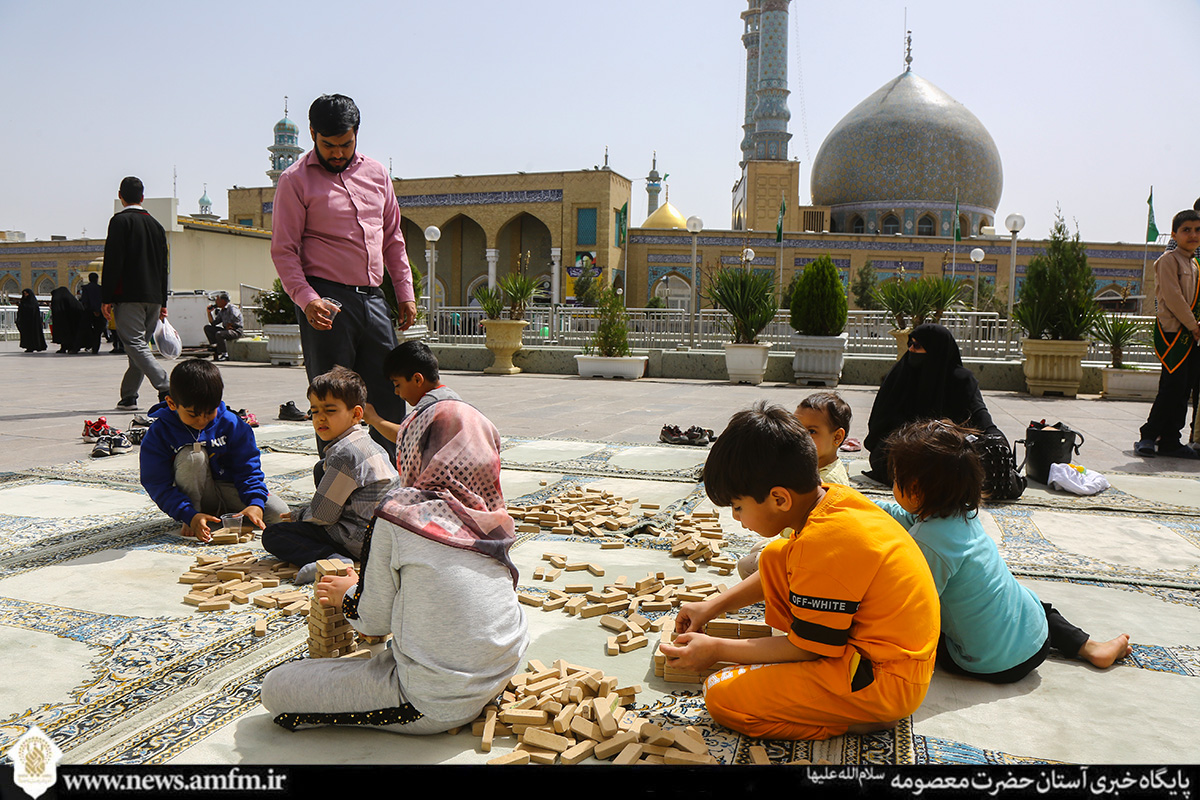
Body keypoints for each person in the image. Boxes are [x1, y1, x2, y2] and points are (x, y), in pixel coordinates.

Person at [260, 374, 529, 736]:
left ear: (413, 448)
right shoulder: (494, 517)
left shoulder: (403, 517)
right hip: (501, 671)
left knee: (277, 687)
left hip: (435, 700)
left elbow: (372, 623)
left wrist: (348, 595)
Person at [660, 403, 939, 741]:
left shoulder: (824, 543)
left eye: (738, 507)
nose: (736, 518)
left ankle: (863, 719)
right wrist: (711, 607)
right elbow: (780, 565)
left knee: (722, 694)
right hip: (883, 657)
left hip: (882, 680)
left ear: (779, 499)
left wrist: (716, 650)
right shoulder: (831, 499)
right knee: (777, 553)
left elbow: (808, 649)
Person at [876, 419, 1131, 682]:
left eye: (896, 479)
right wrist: (858, 502)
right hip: (1036, 638)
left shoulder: (927, 542)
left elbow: (914, 608)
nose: (893, 485)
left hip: (989, 663)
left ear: (916, 490)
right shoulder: (961, 510)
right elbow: (901, 514)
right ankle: (1089, 646)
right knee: (1030, 603)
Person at [271, 94, 417, 463]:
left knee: (388, 392)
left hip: (373, 299)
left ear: (357, 135)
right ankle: (337, 489)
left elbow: (393, 238)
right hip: (328, 303)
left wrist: (404, 291)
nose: (337, 153)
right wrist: (307, 300)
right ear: (312, 134)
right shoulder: (294, 181)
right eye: (328, 145)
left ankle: (384, 482)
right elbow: (284, 251)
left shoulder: (377, 174)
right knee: (333, 402)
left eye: (346, 144)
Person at [261, 366, 397, 584]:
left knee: (275, 534)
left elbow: (323, 516)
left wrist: (298, 515)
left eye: (330, 411)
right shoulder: (368, 443)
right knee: (320, 468)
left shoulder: (345, 454)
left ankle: (335, 560)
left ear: (356, 414)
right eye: (315, 411)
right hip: (382, 535)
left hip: (360, 541)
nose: (320, 419)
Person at [139, 358, 290, 541]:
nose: (202, 421)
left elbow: (248, 468)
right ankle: (195, 517)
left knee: (279, 514)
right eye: (193, 415)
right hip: (195, 496)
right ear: (172, 404)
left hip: (229, 488)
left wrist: (255, 503)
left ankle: (222, 516)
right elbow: (156, 483)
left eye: (210, 413)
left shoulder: (232, 424)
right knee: (193, 456)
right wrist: (187, 513)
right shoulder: (160, 433)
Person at [864, 322, 1001, 485]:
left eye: (917, 345)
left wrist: (995, 436)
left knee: (963, 459)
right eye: (910, 344)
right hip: (907, 445)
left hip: (948, 447)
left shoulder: (961, 380)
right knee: (889, 457)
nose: (911, 350)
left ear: (936, 349)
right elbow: (881, 423)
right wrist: (919, 435)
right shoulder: (900, 375)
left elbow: (979, 414)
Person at [737, 391, 852, 579]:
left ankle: (785, 595)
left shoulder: (827, 482)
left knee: (747, 566)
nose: (801, 436)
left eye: (812, 432)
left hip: (812, 555)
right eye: (798, 428)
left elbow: (798, 530)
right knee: (758, 547)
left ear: (837, 438)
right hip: (799, 541)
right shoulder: (815, 465)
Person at [1136, 209, 1200, 459]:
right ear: (1174, 234)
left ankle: (1172, 440)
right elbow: (1173, 298)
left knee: (1184, 389)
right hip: (1175, 334)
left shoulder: (1194, 263)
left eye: (1197, 230)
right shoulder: (1168, 260)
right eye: (1186, 230)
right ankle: (1148, 436)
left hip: (1192, 336)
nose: (1193, 235)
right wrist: (1193, 325)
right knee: (1171, 387)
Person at [101, 176, 170, 410]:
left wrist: (106, 297)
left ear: (120, 196)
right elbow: (163, 267)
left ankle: (166, 387)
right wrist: (163, 300)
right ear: (142, 197)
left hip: (128, 295)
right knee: (138, 348)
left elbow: (113, 262)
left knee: (135, 345)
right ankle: (129, 396)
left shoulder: (120, 222)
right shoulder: (156, 226)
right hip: (153, 297)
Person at [363, 340, 458, 448]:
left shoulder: (430, 404)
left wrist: (374, 419)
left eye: (397, 385)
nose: (396, 392)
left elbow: (406, 437)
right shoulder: (451, 396)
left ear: (417, 379)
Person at [203, 291, 244, 362]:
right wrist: (209, 312)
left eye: (217, 300)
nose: (216, 302)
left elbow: (235, 317)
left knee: (219, 334)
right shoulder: (222, 311)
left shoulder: (232, 307)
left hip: (236, 331)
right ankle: (215, 346)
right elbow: (213, 323)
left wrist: (230, 324)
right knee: (208, 328)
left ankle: (225, 354)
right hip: (226, 330)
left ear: (222, 300)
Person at [49, 286, 87, 354]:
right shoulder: (71, 300)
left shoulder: (59, 299)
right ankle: (69, 347)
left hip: (68, 321)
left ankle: (69, 347)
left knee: (66, 334)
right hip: (72, 321)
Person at [78, 273, 106, 354]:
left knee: (83, 330)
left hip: (88, 312)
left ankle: (77, 347)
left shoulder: (86, 288)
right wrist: (97, 310)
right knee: (98, 332)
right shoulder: (100, 288)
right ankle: (95, 349)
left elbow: (85, 300)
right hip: (99, 312)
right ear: (97, 279)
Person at [16, 289, 46, 353]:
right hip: (25, 322)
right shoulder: (24, 302)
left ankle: (37, 346)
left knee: (34, 334)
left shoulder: (33, 302)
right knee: (27, 335)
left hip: (33, 322)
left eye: (26, 293)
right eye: (24, 293)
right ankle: (29, 346)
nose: (25, 295)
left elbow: (33, 311)